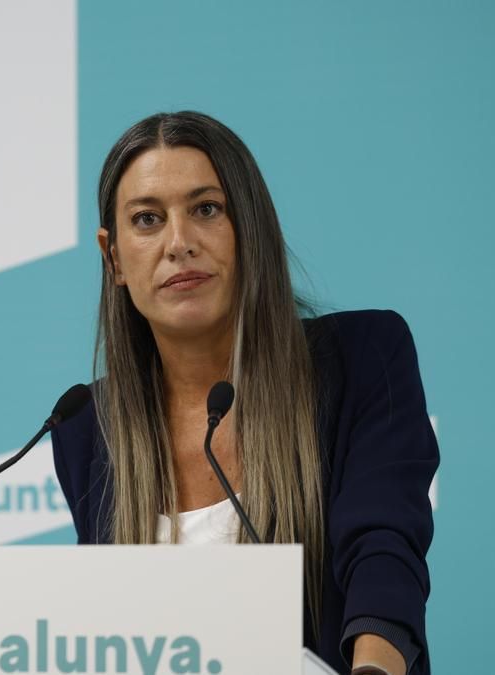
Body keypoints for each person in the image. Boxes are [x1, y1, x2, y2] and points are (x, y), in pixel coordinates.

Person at [50, 111, 438, 675]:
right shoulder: (88, 427)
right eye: (147, 220)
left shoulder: (362, 357)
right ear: (113, 257)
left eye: (205, 209)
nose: (179, 243)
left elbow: (383, 547)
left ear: (249, 227)